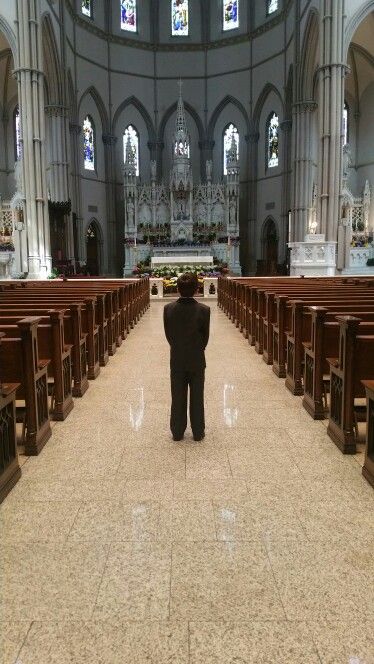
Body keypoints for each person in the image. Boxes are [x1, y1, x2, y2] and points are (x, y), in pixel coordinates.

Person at [163, 272, 210, 441]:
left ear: (177, 289)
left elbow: (169, 335)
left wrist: (178, 347)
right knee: (197, 396)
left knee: (177, 395)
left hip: (177, 358)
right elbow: (205, 338)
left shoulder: (168, 309)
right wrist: (196, 349)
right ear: (197, 289)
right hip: (197, 358)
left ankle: (177, 431)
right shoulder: (204, 310)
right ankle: (198, 431)